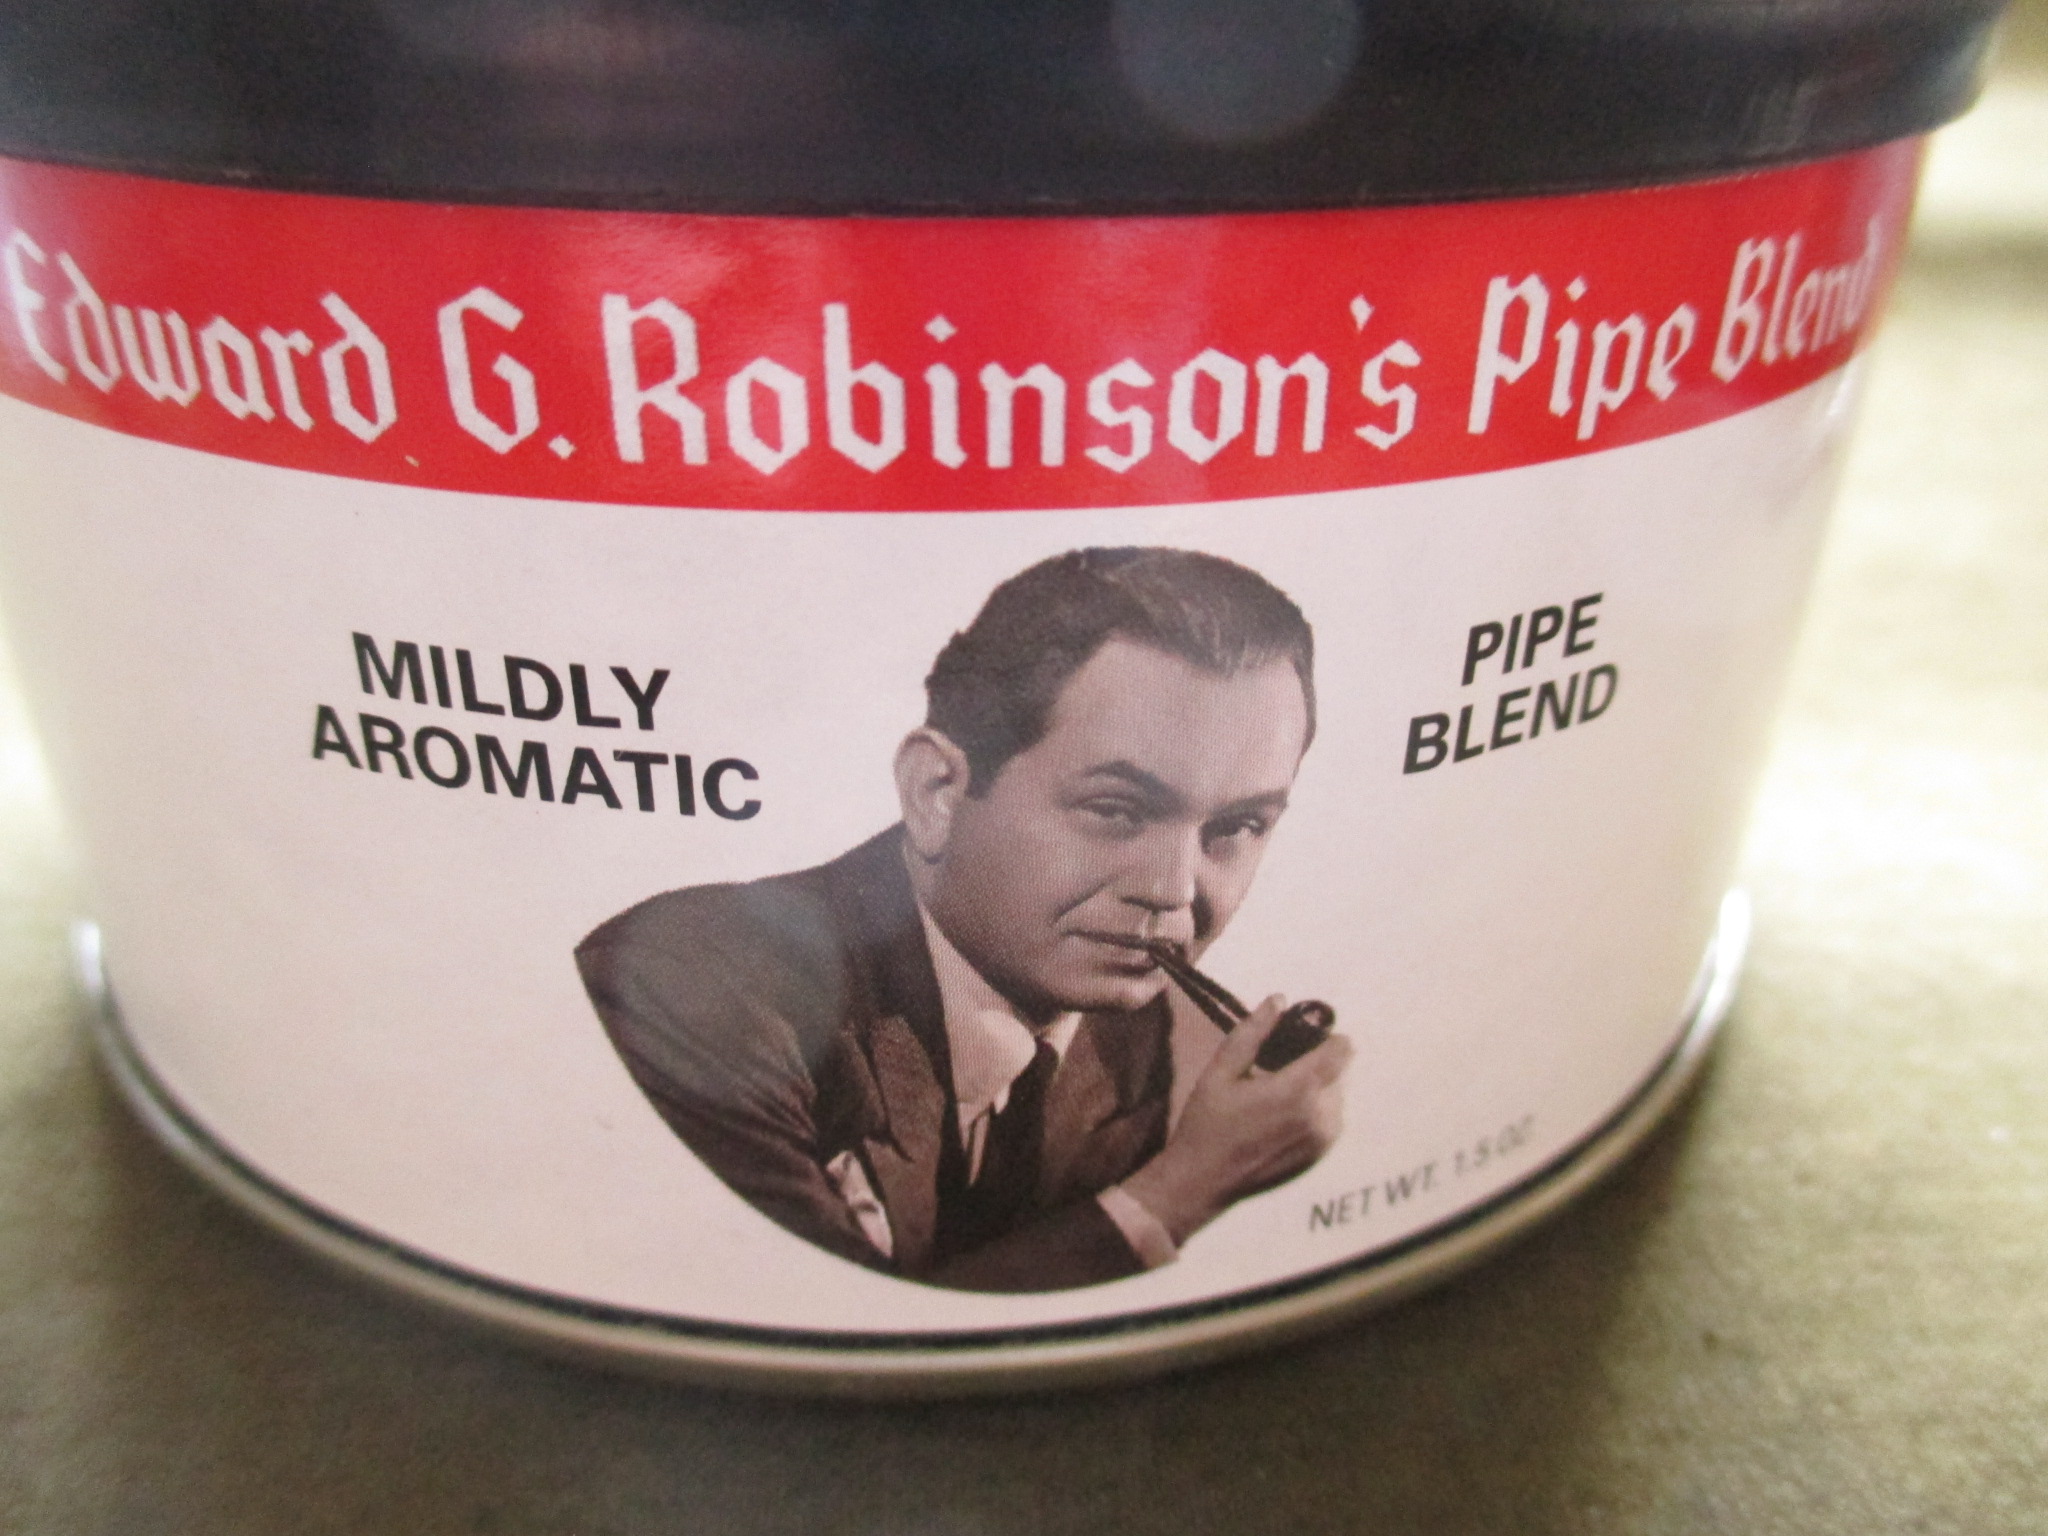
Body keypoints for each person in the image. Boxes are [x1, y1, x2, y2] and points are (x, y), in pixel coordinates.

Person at [575, 546, 1352, 1293]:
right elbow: (839, 1331)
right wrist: (1180, 1190)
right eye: (1116, 810)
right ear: (936, 793)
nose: (1174, 893)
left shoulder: (1125, 1034)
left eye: (1237, 827)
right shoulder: (693, 987)